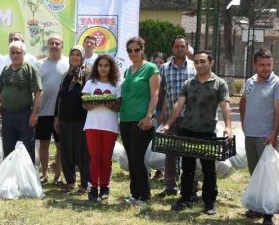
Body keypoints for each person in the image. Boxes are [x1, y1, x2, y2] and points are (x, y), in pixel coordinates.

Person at [163, 50, 232, 215]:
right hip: (187, 130)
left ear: (211, 62)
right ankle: (185, 198)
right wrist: (168, 124)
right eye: (196, 62)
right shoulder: (188, 84)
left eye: (202, 61)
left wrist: (228, 127)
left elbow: (225, 106)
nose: (199, 65)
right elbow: (178, 105)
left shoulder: (219, 83)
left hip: (207, 132)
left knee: (209, 169)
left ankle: (209, 203)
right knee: (187, 168)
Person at [239, 48, 279, 225]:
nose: (266, 68)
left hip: (266, 138)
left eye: (269, 64)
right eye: (262, 65)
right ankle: (257, 207)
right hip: (250, 135)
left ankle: (269, 214)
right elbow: (243, 102)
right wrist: (245, 125)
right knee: (255, 174)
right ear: (254, 65)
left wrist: (274, 134)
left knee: (268, 175)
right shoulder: (250, 82)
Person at [118, 37, 160, 205]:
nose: (133, 53)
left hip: (142, 120)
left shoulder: (151, 68)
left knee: (137, 157)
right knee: (131, 157)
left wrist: (149, 115)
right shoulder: (128, 71)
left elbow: (155, 94)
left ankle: (144, 195)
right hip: (126, 119)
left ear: (142, 50)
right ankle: (134, 194)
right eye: (129, 50)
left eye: (136, 50)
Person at [157, 36, 195, 196]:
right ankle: (170, 185)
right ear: (172, 49)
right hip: (172, 117)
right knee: (171, 151)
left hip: (191, 117)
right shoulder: (164, 68)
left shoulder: (195, 67)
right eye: (177, 46)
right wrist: (162, 113)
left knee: (190, 153)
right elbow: (163, 92)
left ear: (186, 48)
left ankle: (191, 186)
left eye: (182, 46)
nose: (180, 49)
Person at [0, 40, 42, 162]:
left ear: (23, 53)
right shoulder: (5, 69)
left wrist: (34, 114)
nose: (14, 55)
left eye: (18, 52)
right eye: (12, 52)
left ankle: (26, 177)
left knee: (26, 148)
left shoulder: (30, 70)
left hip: (25, 114)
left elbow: (39, 93)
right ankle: (9, 176)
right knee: (8, 147)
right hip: (7, 114)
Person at [82, 54, 121, 202]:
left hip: (110, 127)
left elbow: (117, 106)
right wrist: (92, 103)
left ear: (111, 67)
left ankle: (105, 187)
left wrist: (107, 103)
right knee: (95, 158)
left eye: (106, 65)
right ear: (96, 67)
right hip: (92, 126)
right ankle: (93, 188)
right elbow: (84, 104)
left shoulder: (116, 85)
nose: (103, 68)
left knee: (106, 159)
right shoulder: (90, 83)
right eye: (100, 65)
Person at [54, 46, 91, 194]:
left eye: (78, 55)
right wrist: (56, 117)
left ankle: (85, 184)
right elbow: (60, 97)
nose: (75, 57)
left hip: (81, 119)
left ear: (82, 58)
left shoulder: (88, 75)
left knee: (82, 153)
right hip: (64, 119)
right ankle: (70, 181)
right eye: (72, 54)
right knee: (66, 151)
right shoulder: (65, 75)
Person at [35, 35, 68, 183]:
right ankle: (44, 173)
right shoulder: (39, 64)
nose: (54, 46)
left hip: (61, 113)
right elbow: (35, 89)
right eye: (51, 43)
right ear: (47, 46)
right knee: (44, 144)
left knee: (60, 145)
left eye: (57, 43)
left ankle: (58, 175)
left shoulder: (68, 63)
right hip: (43, 111)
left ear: (62, 45)